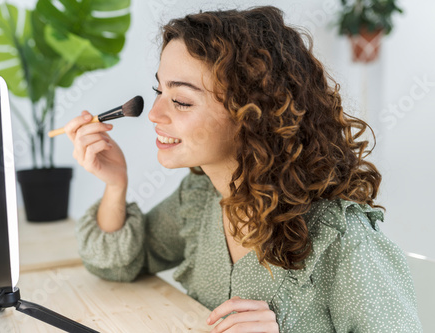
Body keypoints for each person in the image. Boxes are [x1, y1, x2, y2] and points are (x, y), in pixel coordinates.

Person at [64, 6, 422, 333]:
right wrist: (115, 186)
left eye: (181, 100)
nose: (155, 114)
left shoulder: (342, 239)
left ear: (251, 114)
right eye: (159, 90)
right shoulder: (201, 198)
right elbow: (119, 264)